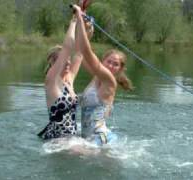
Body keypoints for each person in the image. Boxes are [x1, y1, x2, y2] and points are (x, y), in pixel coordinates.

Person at [73, 5, 133, 145]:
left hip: (99, 139)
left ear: (119, 69)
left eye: (115, 64)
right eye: (109, 61)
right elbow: (80, 54)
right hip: (88, 139)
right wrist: (87, 31)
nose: (111, 66)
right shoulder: (97, 77)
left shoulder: (109, 80)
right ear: (103, 61)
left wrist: (81, 21)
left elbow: (87, 51)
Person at [37, 13, 94, 140]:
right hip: (58, 139)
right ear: (53, 63)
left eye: (69, 59)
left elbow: (79, 54)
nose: (68, 62)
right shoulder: (51, 80)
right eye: (63, 60)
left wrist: (87, 32)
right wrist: (74, 21)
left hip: (71, 138)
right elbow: (68, 47)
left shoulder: (69, 81)